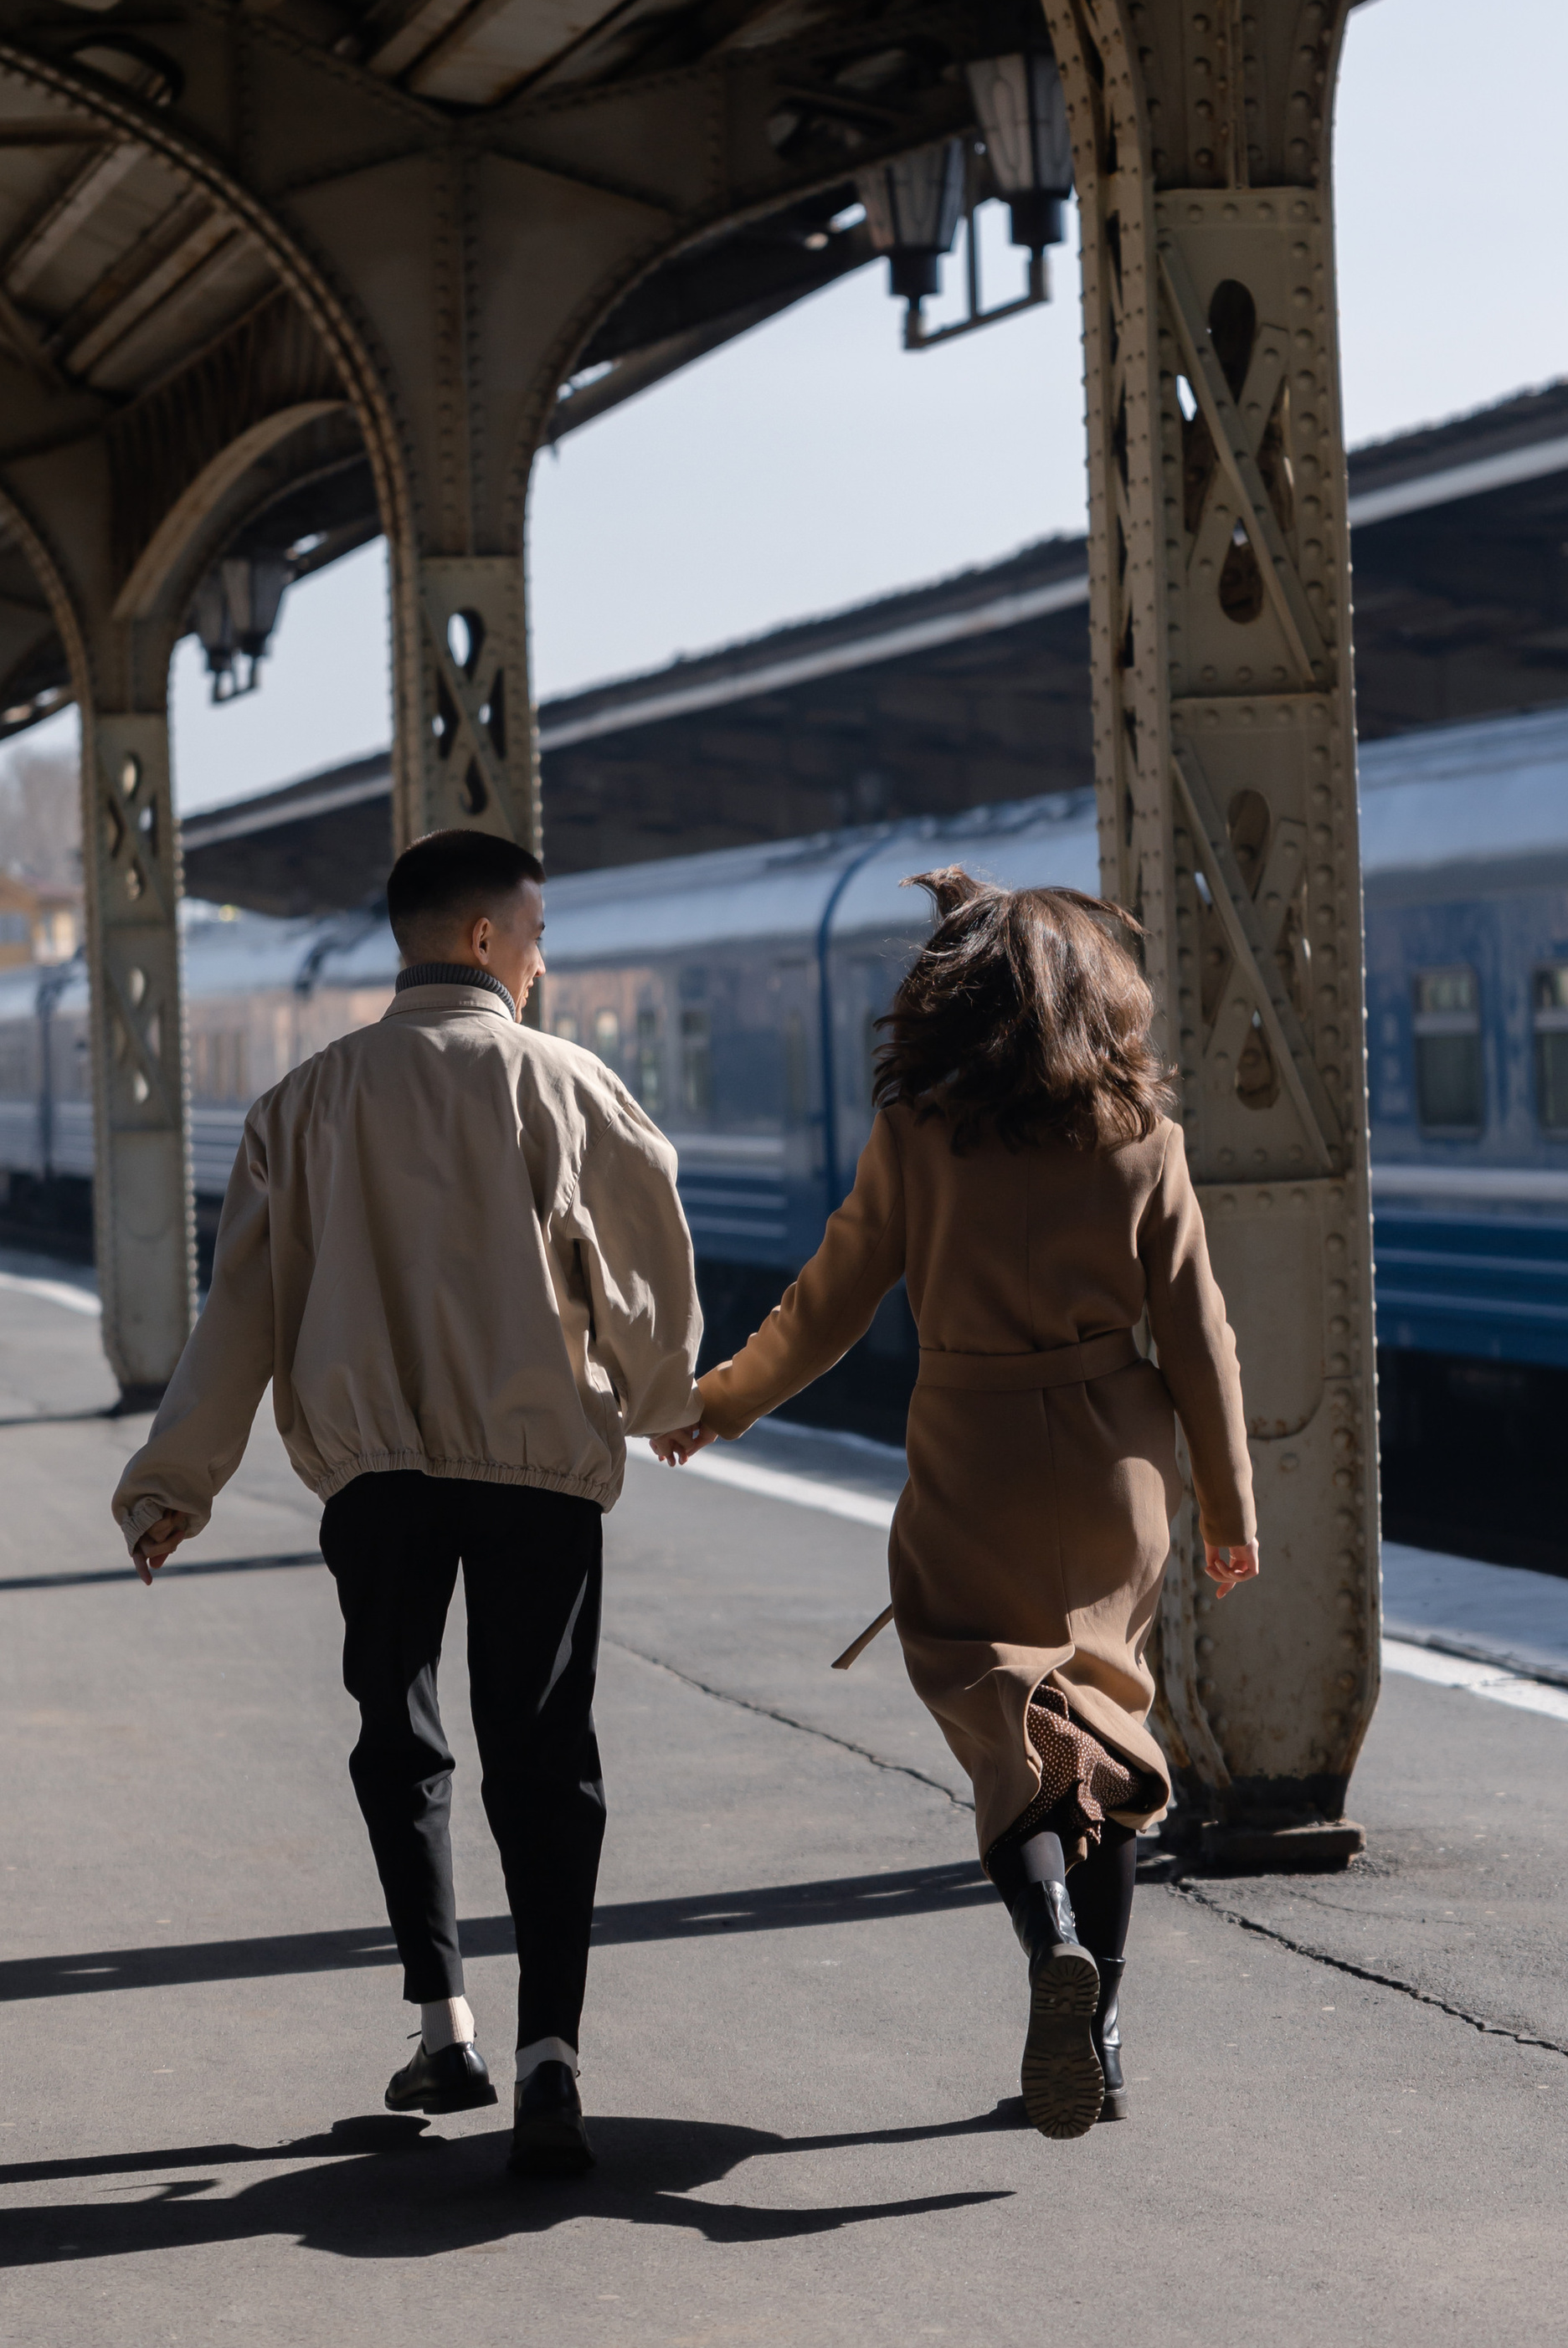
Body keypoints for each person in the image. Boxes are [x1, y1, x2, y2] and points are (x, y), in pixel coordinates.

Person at [111, 827, 704, 2179]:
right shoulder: (569, 1086)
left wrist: (175, 1485)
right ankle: (554, 2056)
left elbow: (243, 1310)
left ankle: (445, 2025)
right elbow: (645, 1247)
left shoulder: (305, 1104)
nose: (546, 963)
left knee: (402, 1731)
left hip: (374, 1477)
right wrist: (663, 1395)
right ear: (489, 940)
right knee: (546, 1755)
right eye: (538, 936)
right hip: (537, 1472)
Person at [652, 867, 1259, 2142]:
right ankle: (1101, 2033)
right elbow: (1200, 1334)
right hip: (1118, 1467)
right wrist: (1226, 1502)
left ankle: (1049, 1949)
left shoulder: (923, 1134)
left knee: (1002, 1726)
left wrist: (721, 1402)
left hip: (973, 1451)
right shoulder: (1144, 1136)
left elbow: (829, 1302)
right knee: (1101, 1719)